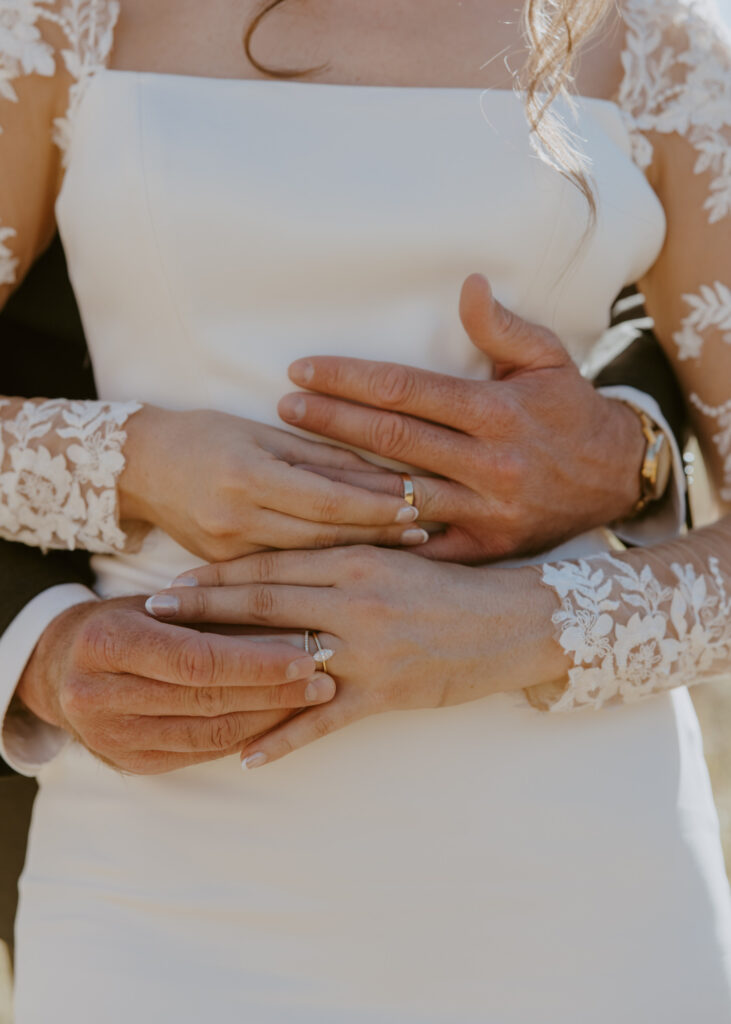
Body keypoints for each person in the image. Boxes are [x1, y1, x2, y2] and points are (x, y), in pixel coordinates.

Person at [1, 0, 730, 1020]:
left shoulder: (658, 49)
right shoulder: (67, 24)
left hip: (580, 874)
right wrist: (131, 460)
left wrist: (521, 624)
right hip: (165, 864)